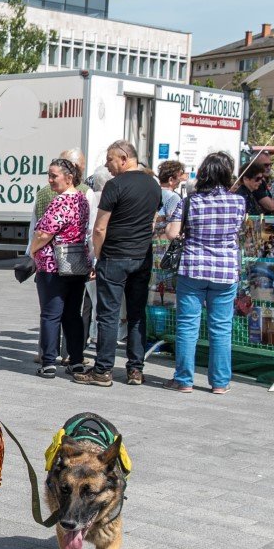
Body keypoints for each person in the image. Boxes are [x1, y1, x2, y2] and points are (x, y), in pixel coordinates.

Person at [77, 140, 160, 387]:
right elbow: (153, 221)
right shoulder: (153, 185)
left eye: (110, 159)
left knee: (108, 315)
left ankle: (103, 370)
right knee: (136, 314)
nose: (107, 164)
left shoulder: (115, 185)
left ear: (124, 158)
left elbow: (100, 227)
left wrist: (98, 255)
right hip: (141, 256)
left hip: (115, 256)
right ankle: (135, 369)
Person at [27, 158, 92, 377]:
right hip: (76, 262)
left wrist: (32, 251)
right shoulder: (82, 200)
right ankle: (76, 360)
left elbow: (44, 233)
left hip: (53, 264)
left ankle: (48, 362)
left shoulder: (60, 202)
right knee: (73, 314)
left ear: (69, 177)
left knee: (51, 314)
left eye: (54, 175)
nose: (50, 180)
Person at [156, 160, 186, 227]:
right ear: (171, 180)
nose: (180, 179)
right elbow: (173, 223)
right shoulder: (174, 197)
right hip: (163, 235)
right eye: (179, 176)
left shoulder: (152, 192)